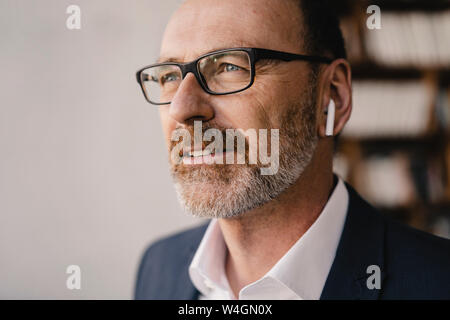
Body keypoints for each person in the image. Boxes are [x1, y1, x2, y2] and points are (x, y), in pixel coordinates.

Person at [134, 0, 450, 299]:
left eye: (230, 67)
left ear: (332, 98)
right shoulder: (158, 268)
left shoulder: (437, 281)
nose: (182, 108)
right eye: (170, 76)